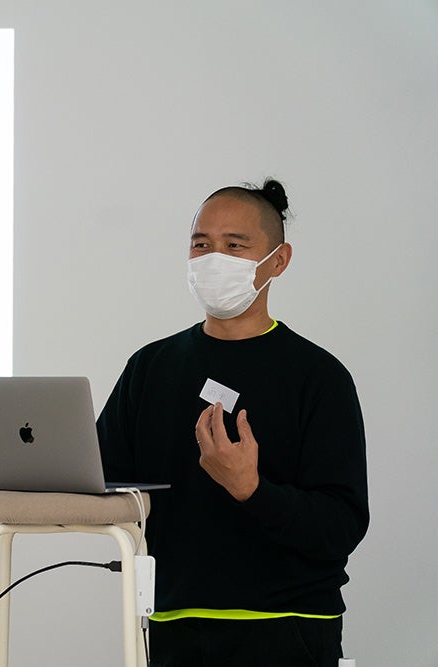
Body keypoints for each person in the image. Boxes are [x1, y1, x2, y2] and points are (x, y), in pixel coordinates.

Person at [95, 179, 369, 667]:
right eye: (201, 245)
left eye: (234, 246)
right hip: (174, 621)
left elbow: (341, 526)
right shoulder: (151, 367)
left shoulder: (318, 377)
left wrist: (251, 489)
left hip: (286, 626)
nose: (212, 259)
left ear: (278, 261)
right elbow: (104, 477)